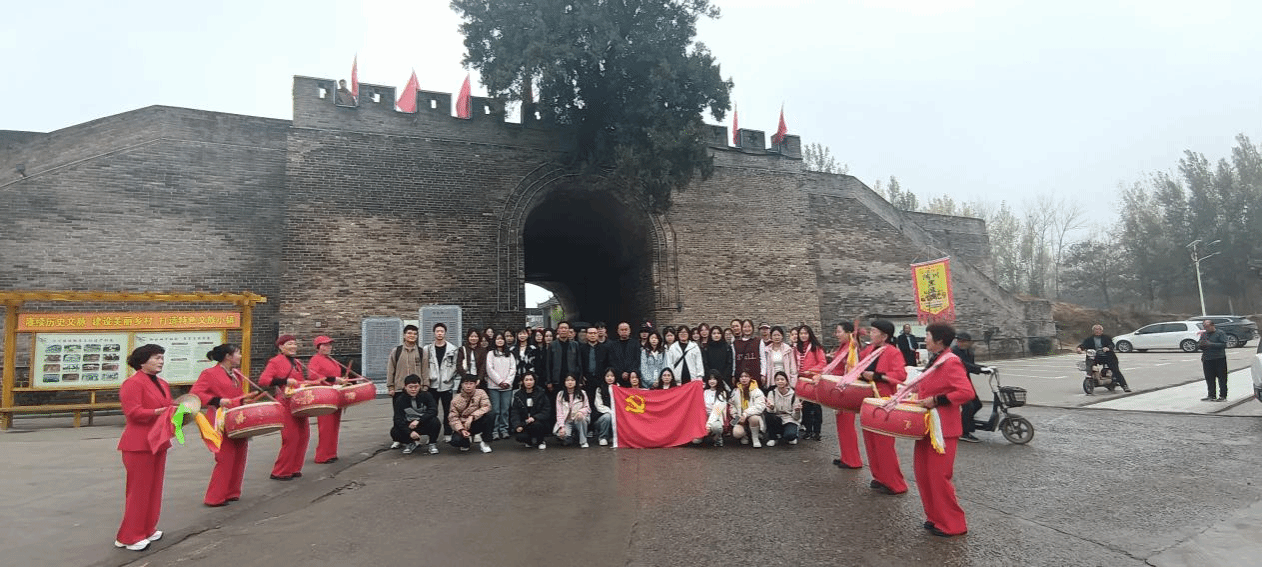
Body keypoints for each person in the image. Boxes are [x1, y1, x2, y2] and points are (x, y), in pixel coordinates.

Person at [913, 323, 976, 537]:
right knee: (924, 475)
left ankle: (953, 524)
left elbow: (966, 392)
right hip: (927, 426)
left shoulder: (951, 361)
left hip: (943, 428)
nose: (925, 339)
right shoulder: (936, 359)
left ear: (939, 340)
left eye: (928, 336)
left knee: (939, 477)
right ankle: (935, 517)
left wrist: (937, 400)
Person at [115, 344, 174, 551]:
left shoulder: (162, 383)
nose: (161, 361)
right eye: (156, 357)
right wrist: (158, 412)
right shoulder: (132, 383)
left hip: (159, 441)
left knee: (154, 488)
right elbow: (133, 413)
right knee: (138, 491)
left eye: (162, 357)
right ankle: (129, 536)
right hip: (138, 443)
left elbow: (168, 406)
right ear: (142, 361)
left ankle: (148, 528)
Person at [191, 344, 260, 507]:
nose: (240, 356)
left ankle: (232, 492)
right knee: (225, 457)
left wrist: (244, 399)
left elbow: (235, 396)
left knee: (240, 454)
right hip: (220, 420)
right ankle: (215, 497)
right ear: (228, 356)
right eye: (238, 353)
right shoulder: (209, 373)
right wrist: (218, 400)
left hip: (237, 418)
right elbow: (196, 393)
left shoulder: (236, 374)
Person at [859, 320, 909, 495]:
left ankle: (895, 483)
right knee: (870, 441)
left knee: (884, 443)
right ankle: (879, 476)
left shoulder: (893, 352)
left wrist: (877, 376)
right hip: (868, 399)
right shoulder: (869, 350)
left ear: (884, 336)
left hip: (884, 400)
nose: (871, 334)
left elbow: (901, 375)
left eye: (874, 331)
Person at [259, 335, 311, 481]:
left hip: (299, 402)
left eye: (294, 343)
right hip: (285, 403)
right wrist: (285, 381)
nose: (293, 346)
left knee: (304, 435)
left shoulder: (297, 362)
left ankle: (295, 468)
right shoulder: (275, 361)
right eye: (289, 344)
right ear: (281, 347)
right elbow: (263, 380)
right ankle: (280, 471)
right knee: (291, 437)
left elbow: (299, 382)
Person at [827, 321, 864, 469]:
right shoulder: (843, 347)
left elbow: (851, 369)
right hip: (839, 387)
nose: (836, 335)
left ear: (848, 333)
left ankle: (853, 460)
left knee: (847, 426)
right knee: (842, 425)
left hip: (846, 389)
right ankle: (846, 456)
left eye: (839, 332)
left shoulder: (851, 347)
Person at [307, 335, 347, 464]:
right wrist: (334, 379)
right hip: (324, 397)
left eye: (329, 345)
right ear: (318, 347)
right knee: (326, 427)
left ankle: (331, 453)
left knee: (334, 425)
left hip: (335, 394)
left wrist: (341, 381)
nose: (328, 347)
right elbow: (313, 376)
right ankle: (322, 456)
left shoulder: (331, 360)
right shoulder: (315, 360)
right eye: (325, 345)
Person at [422, 323, 460, 440]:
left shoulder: (452, 349)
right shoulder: (427, 349)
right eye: (437, 331)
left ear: (445, 333)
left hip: (446, 384)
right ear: (434, 333)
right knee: (431, 411)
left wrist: (448, 376)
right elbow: (425, 366)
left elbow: (455, 365)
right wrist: (428, 378)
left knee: (448, 410)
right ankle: (431, 435)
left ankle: (448, 433)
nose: (439, 333)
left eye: (442, 331)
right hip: (432, 385)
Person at [952, 332, 988, 443]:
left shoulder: (969, 352)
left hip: (966, 382)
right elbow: (963, 365)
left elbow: (971, 366)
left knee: (977, 404)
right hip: (955, 383)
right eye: (959, 341)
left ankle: (963, 423)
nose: (961, 343)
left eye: (963, 341)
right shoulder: (954, 351)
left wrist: (985, 368)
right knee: (968, 406)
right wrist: (980, 369)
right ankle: (964, 432)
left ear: (969, 342)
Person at [391, 375, 441, 455]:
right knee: (394, 431)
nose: (413, 389)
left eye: (416, 387)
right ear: (405, 387)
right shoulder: (400, 399)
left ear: (420, 386)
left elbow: (433, 410)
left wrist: (419, 421)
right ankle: (410, 443)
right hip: (409, 424)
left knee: (435, 421)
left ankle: (432, 443)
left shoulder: (427, 395)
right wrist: (409, 432)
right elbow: (398, 418)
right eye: (410, 387)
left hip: (423, 422)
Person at [1075, 324, 1131, 392]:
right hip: (1096, 356)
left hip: (1108, 356)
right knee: (1089, 363)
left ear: (1102, 331)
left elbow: (1111, 345)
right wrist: (1079, 348)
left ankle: (1124, 386)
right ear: (1093, 331)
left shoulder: (1106, 338)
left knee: (1115, 370)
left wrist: (1108, 348)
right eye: (1096, 329)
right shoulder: (1090, 339)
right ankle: (1091, 377)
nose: (1097, 331)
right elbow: (1084, 345)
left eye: (1099, 329)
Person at [794, 325, 826, 440]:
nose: (803, 336)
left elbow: (822, 363)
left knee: (816, 408)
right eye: (801, 333)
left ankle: (817, 432)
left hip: (814, 381)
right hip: (802, 381)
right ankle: (808, 430)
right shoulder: (796, 348)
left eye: (805, 333)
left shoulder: (815, 347)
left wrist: (811, 370)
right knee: (805, 407)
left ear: (810, 334)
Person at [448, 375, 493, 453]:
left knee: (490, 415)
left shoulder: (481, 393)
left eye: (471, 383)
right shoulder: (455, 399)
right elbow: (453, 417)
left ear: (475, 384)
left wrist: (472, 416)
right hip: (464, 424)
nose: (468, 386)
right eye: (466, 383)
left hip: (477, 421)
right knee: (455, 441)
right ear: (462, 385)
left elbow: (486, 406)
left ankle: (485, 442)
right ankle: (466, 442)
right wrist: (461, 429)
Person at [484, 333, 517, 440]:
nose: (500, 341)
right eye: (497, 339)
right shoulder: (490, 354)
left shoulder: (510, 354)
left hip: (507, 387)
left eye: (502, 339)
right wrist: (499, 381)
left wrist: (507, 382)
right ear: (494, 341)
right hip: (494, 386)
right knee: (495, 410)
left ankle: (504, 430)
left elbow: (513, 369)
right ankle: (495, 430)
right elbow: (489, 369)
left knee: (505, 410)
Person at [511, 372, 553, 449]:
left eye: (531, 380)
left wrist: (535, 418)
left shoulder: (541, 393)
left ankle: (540, 441)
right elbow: (515, 412)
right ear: (522, 381)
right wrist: (517, 425)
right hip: (525, 422)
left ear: (534, 381)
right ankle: (528, 441)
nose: (529, 382)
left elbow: (546, 410)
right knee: (520, 436)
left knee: (537, 425)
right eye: (526, 380)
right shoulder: (518, 395)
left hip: (538, 421)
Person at [763, 371, 802, 446]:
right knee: (769, 415)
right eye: (777, 380)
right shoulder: (772, 393)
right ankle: (773, 438)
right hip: (777, 417)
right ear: (775, 382)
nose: (780, 381)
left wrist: (797, 411)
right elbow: (770, 410)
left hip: (790, 418)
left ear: (786, 381)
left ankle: (791, 434)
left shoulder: (793, 395)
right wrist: (771, 407)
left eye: (782, 379)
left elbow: (797, 417)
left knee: (790, 436)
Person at [729, 371, 766, 447]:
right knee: (736, 433)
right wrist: (736, 416)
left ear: (750, 378)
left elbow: (760, 407)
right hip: (739, 416)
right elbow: (731, 405)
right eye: (741, 377)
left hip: (751, 415)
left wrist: (745, 414)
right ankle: (745, 435)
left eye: (746, 376)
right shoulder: (735, 391)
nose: (744, 379)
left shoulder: (757, 391)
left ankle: (755, 438)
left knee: (754, 418)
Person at [386, 324, 423, 397]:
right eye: (409, 333)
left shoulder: (421, 352)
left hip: (417, 390)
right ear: (404, 335)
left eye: (415, 334)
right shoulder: (396, 351)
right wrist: (390, 387)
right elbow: (391, 370)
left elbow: (425, 371)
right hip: (400, 389)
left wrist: (424, 387)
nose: (412, 336)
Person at [554, 374, 591, 447]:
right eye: (568, 380)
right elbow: (559, 412)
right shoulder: (560, 394)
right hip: (567, 420)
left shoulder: (582, 393)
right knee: (561, 435)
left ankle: (583, 441)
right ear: (564, 382)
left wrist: (581, 412)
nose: (570, 382)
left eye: (572, 380)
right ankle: (572, 436)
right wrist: (561, 427)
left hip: (578, 418)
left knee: (581, 419)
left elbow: (587, 408)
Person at [695, 371, 729, 446]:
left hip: (716, 418)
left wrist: (708, 425)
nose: (712, 381)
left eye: (714, 379)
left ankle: (718, 438)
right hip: (704, 417)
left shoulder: (722, 393)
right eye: (710, 379)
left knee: (716, 428)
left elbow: (716, 411)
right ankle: (705, 437)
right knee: (696, 441)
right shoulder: (704, 392)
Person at [547, 321, 581, 393]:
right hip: (557, 379)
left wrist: (579, 379)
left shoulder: (575, 345)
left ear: (569, 330)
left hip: (571, 379)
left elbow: (579, 363)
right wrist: (549, 381)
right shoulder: (552, 345)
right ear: (558, 331)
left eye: (565, 328)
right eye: (561, 328)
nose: (563, 330)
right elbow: (548, 364)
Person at [1199, 320, 1229, 401]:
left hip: (1219, 358)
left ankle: (1223, 396)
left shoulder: (1220, 333)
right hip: (1207, 359)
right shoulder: (1204, 334)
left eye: (1207, 326)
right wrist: (1200, 345)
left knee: (1222, 378)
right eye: (1204, 327)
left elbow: (1224, 344)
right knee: (1209, 378)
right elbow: (1200, 344)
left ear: (1212, 325)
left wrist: (1211, 344)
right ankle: (1211, 395)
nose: (1206, 328)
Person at [761, 326, 798, 391]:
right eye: (774, 335)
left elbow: (793, 367)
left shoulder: (788, 349)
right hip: (772, 380)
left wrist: (793, 383)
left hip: (785, 380)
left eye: (778, 335)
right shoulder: (767, 350)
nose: (777, 337)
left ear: (782, 336)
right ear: (771, 337)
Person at [578, 325, 610, 393]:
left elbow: (608, 363)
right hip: (586, 379)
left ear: (598, 335)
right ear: (586, 335)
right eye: (590, 333)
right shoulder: (581, 349)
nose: (592, 335)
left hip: (601, 379)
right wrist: (581, 376)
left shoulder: (605, 348)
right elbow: (579, 364)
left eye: (594, 333)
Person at [591, 369, 617, 446]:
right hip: (602, 417)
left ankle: (614, 436)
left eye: (612, 376)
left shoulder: (618, 387)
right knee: (607, 417)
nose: (610, 378)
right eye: (607, 376)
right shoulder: (600, 389)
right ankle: (603, 437)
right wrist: (611, 412)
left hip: (616, 414)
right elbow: (599, 406)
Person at [733, 319, 762, 387]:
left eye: (749, 327)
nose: (747, 329)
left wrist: (763, 374)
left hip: (755, 375)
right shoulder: (735, 343)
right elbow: (734, 360)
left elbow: (762, 358)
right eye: (745, 327)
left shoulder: (758, 341)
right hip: (741, 375)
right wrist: (733, 374)